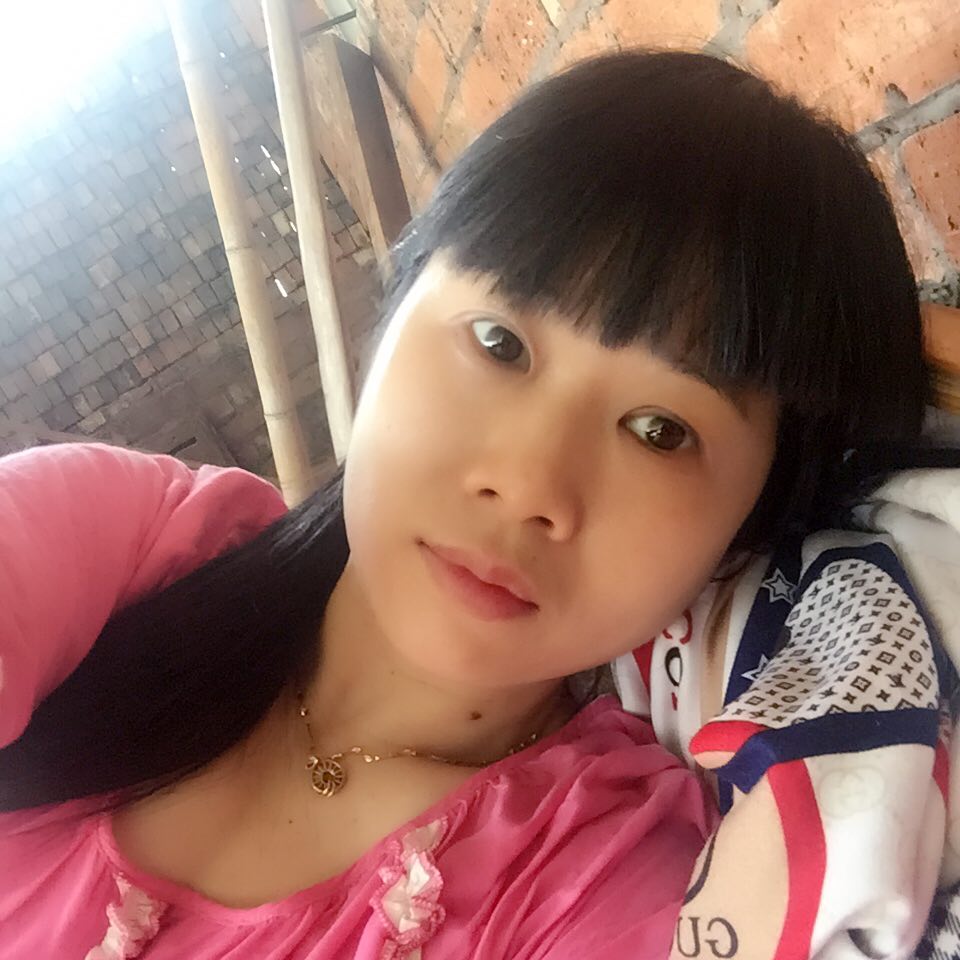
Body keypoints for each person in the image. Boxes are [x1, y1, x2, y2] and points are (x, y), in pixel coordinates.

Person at [0, 50, 929, 959]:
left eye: (659, 431)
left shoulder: (600, 881)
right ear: (392, 312)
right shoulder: (123, 542)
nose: (526, 486)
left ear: (746, 528)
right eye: (498, 343)